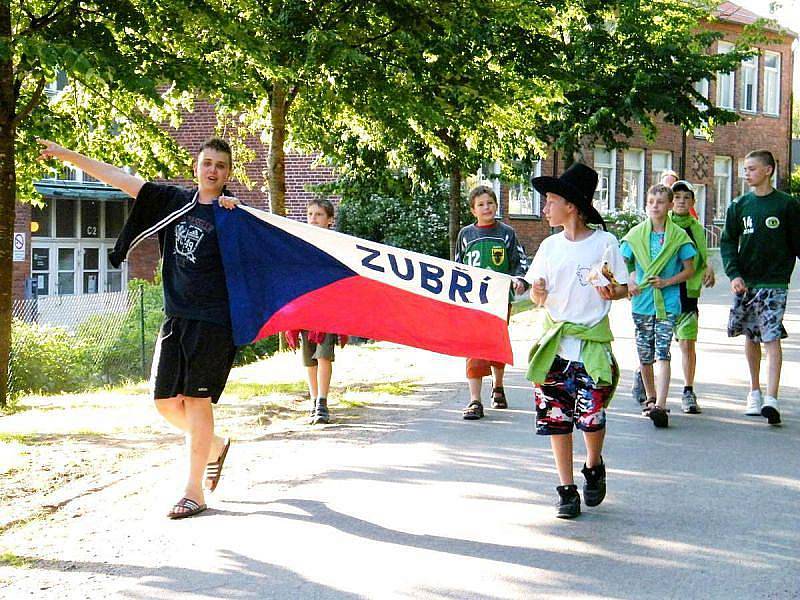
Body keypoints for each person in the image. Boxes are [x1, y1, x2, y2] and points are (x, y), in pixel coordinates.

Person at [37, 137, 239, 519]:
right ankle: (212, 445)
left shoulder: (234, 216)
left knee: (197, 402)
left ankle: (193, 490)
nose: (212, 170)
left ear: (228, 173)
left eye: (221, 166)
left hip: (214, 321)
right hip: (176, 317)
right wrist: (65, 154)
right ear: (196, 168)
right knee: (163, 401)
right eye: (207, 163)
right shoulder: (172, 203)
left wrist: (237, 211)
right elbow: (120, 179)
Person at [525, 162, 628, 519]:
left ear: (571, 204)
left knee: (592, 418)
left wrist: (611, 291)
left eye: (550, 200)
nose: (545, 207)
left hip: (591, 346)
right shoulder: (550, 247)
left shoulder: (604, 244)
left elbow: (621, 287)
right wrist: (537, 292)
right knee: (557, 418)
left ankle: (594, 464)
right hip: (555, 346)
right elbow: (537, 294)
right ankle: (566, 490)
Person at [720, 150, 800, 425]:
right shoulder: (739, 205)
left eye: (752, 168)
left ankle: (772, 398)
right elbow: (728, 242)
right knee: (751, 336)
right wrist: (734, 274)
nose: (746, 173)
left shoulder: (787, 205)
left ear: (768, 170)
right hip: (747, 283)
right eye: (745, 168)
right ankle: (754, 390)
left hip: (775, 282)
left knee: (771, 336)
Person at [621, 184, 695, 429]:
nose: (655, 206)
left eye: (661, 202)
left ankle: (662, 405)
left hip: (668, 303)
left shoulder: (678, 237)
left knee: (662, 350)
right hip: (642, 302)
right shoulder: (635, 235)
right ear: (646, 204)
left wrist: (667, 282)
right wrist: (630, 280)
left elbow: (689, 270)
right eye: (651, 201)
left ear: (670, 206)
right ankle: (650, 399)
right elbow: (622, 263)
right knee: (645, 353)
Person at [455, 185, 528, 420]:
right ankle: (475, 400)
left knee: (496, 343)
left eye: (490, 203)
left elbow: (519, 262)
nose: (486, 208)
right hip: (473, 299)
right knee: (474, 346)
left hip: (498, 299)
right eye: (481, 205)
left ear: (497, 205)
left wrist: (519, 280)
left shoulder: (506, 233)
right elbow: (457, 265)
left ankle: (498, 387)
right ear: (472, 210)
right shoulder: (466, 235)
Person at [285, 199, 347, 425]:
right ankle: (313, 400)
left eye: (319, 214)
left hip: (328, 310)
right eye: (310, 214)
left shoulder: (338, 244)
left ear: (330, 220)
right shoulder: (301, 245)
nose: (313, 218)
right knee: (308, 357)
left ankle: (322, 401)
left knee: (323, 355)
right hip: (306, 308)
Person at [670, 180, 715, 414]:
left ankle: (688, 390)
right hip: (663, 294)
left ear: (693, 202)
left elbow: (702, 255)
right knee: (659, 344)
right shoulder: (662, 225)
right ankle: (645, 379)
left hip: (688, 294)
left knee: (687, 342)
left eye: (686, 197)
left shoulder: (696, 227)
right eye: (676, 197)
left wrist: (707, 268)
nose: (681, 201)